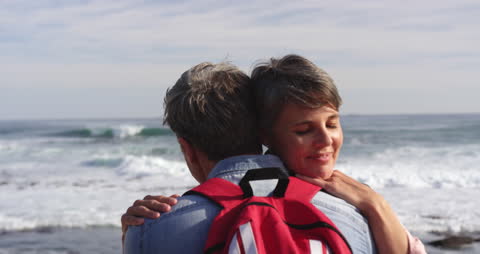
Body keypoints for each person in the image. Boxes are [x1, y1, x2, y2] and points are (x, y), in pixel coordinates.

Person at [123, 56, 425, 253]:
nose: (324, 140)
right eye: (304, 129)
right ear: (263, 132)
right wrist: (375, 205)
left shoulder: (153, 225)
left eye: (332, 123)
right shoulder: (359, 217)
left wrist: (134, 237)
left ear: (186, 147)